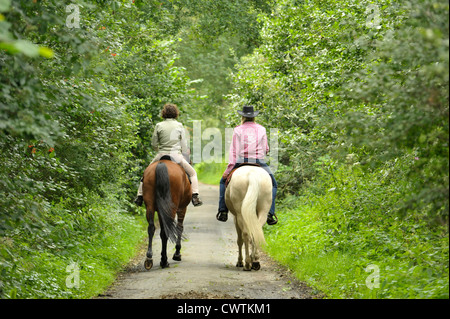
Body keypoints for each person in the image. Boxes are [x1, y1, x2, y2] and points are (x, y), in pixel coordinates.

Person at [217, 105, 278, 225]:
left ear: (243, 116)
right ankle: (270, 213)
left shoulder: (238, 129)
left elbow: (234, 152)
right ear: (254, 117)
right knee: (274, 184)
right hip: (258, 161)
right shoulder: (262, 129)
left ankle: (223, 211)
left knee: (223, 182)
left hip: (241, 161)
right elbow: (266, 149)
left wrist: (228, 170)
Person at [135, 103, 203, 207]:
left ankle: (139, 197)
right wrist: (183, 152)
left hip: (161, 154)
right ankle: (195, 196)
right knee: (193, 173)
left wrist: (159, 149)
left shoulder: (159, 125)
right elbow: (184, 145)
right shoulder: (179, 125)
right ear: (176, 113)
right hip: (176, 156)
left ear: (164, 113)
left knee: (146, 173)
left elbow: (154, 144)